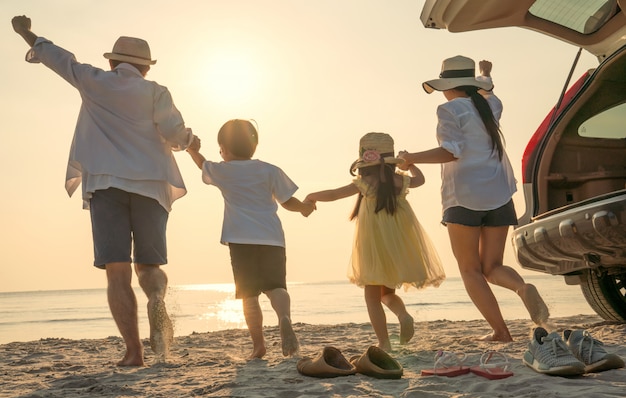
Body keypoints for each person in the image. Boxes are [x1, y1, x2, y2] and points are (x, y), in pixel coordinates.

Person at [12, 15, 197, 366]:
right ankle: (156, 300)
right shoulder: (157, 91)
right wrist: (190, 141)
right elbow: (174, 133)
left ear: (111, 62)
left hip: (107, 184)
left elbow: (57, 57)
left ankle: (134, 353)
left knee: (117, 269)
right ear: (145, 68)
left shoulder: (93, 80)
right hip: (151, 186)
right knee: (149, 264)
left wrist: (26, 32)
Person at [398, 56, 549, 342]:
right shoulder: (490, 105)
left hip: (464, 196)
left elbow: (452, 151)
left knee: (470, 270)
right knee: (493, 267)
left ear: (448, 87)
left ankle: (501, 331)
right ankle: (522, 288)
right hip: (499, 194)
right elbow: (489, 90)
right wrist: (486, 73)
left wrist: (411, 159)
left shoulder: (448, 109)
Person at [305, 132, 445, 352]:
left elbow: (334, 194)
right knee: (387, 293)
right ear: (390, 161)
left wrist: (312, 195)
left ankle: (384, 342)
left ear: (363, 162)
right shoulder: (399, 180)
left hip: (373, 244)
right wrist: (410, 164)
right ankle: (403, 315)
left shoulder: (365, 183)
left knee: (372, 296)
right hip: (399, 242)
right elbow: (421, 180)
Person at [186, 119, 314, 359]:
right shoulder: (269, 170)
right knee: (276, 287)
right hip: (272, 239)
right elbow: (287, 202)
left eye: (220, 148)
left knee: (249, 295)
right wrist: (304, 208)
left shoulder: (223, 171)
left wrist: (193, 149)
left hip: (240, 240)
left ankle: (259, 346)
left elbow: (202, 165)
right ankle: (284, 318)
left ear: (224, 148)